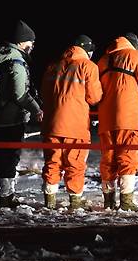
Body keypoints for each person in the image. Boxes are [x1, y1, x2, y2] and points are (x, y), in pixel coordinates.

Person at [40, 35, 102, 210]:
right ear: (88, 50)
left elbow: (44, 93)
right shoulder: (88, 66)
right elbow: (94, 97)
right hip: (75, 126)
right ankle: (75, 202)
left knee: (52, 162)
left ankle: (49, 201)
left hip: (51, 124)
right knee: (74, 163)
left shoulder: (53, 66)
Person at [0, 20, 43, 208]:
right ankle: (6, 197)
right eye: (30, 42)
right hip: (11, 119)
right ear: (21, 42)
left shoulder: (0, 58)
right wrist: (36, 109)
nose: (32, 46)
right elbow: (20, 94)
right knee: (10, 157)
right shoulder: (16, 62)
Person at [97, 32, 138, 210]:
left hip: (106, 119)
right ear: (134, 45)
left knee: (108, 159)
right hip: (129, 117)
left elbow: (95, 91)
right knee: (128, 156)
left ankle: (108, 200)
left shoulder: (102, 61)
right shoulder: (137, 56)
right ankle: (126, 201)